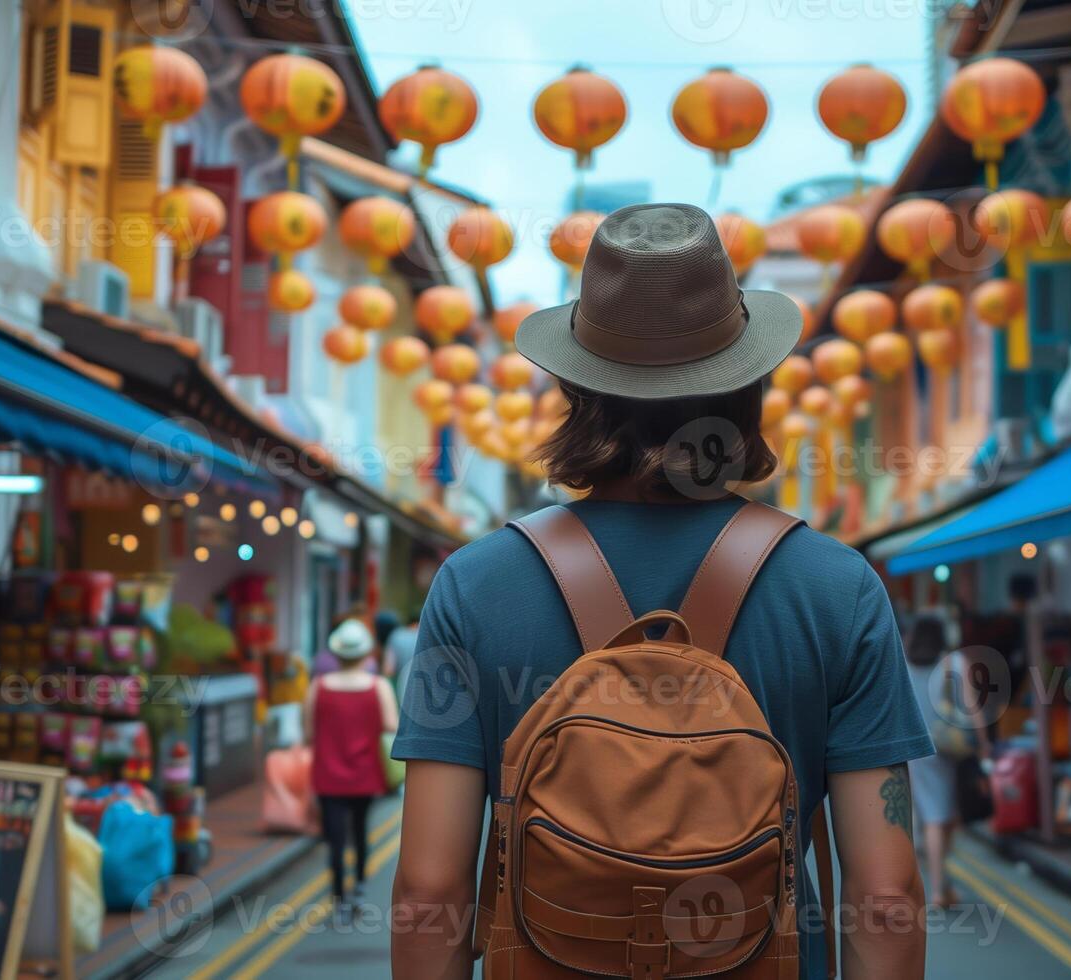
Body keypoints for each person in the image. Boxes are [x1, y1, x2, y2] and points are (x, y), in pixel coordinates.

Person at [391, 204, 930, 979]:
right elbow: (884, 899)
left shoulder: (475, 586)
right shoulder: (837, 588)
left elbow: (427, 891)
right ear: (748, 384)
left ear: (578, 387)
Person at [304, 618, 397, 914]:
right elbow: (391, 724)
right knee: (360, 830)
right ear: (365, 653)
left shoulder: (317, 687)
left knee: (334, 837)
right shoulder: (378, 685)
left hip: (328, 774)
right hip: (365, 772)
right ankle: (359, 886)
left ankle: (337, 897)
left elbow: (308, 732)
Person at [904, 610, 990, 909]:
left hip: (916, 749)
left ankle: (942, 880)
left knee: (945, 814)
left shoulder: (904, 664)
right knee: (938, 817)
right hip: (950, 748)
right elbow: (972, 707)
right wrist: (984, 743)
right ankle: (939, 889)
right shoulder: (954, 663)